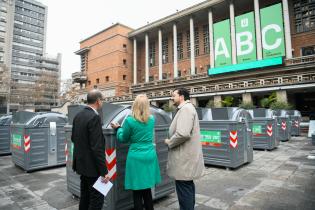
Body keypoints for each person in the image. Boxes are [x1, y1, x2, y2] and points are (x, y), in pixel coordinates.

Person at [111, 94, 161, 210]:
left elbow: (123, 138)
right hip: (149, 154)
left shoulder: (130, 121)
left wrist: (118, 128)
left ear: (135, 105)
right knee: (147, 189)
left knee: (137, 191)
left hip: (136, 156)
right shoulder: (152, 119)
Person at [164, 88, 205, 210]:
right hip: (186, 158)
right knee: (187, 187)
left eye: (174, 96)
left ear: (181, 97)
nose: (172, 98)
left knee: (184, 190)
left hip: (184, 159)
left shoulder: (186, 109)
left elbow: (183, 133)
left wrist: (170, 142)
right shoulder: (187, 108)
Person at [72, 89, 110, 210]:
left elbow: (74, 138)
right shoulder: (94, 117)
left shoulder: (78, 116)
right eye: (102, 100)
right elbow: (97, 147)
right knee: (96, 200)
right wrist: (104, 172)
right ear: (98, 101)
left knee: (85, 196)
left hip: (81, 166)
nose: (102, 102)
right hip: (93, 168)